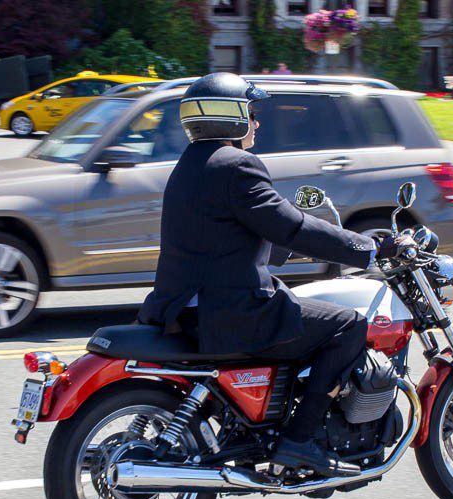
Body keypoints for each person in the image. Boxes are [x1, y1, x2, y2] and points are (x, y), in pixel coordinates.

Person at [138, 73, 413, 477]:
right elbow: (291, 224)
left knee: (305, 314)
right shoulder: (237, 164)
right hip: (231, 313)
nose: (257, 123)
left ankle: (268, 421)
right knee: (348, 326)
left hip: (187, 309)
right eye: (251, 113)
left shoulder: (190, 165)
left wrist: (294, 246)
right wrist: (371, 247)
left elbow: (239, 229)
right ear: (229, 117)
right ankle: (299, 440)